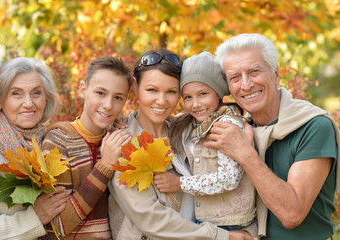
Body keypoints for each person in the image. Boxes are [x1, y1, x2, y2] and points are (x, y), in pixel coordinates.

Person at [205, 33, 340, 239]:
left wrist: (245, 153)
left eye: (254, 72)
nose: (246, 84)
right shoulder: (237, 129)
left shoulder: (313, 126)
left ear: (275, 74)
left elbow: (292, 214)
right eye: (234, 77)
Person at [108, 48, 251, 240]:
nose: (161, 100)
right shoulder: (124, 143)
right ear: (135, 87)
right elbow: (150, 219)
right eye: (152, 90)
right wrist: (222, 237)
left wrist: (246, 125)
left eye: (171, 92)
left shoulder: (186, 129)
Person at [0, 57, 70, 239]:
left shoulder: (49, 143)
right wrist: (35, 218)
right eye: (16, 93)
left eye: (36, 93)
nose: (29, 103)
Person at [154, 52, 257, 237]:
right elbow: (162, 119)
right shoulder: (192, 123)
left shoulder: (227, 126)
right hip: (206, 223)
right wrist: (124, 121)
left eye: (203, 94)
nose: (195, 104)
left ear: (218, 93)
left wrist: (179, 183)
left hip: (231, 224)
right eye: (188, 97)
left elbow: (229, 178)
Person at [40, 56, 133, 239]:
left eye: (118, 98)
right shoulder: (58, 142)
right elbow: (57, 225)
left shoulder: (118, 140)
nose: (108, 105)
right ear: (83, 90)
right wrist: (105, 167)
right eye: (100, 93)